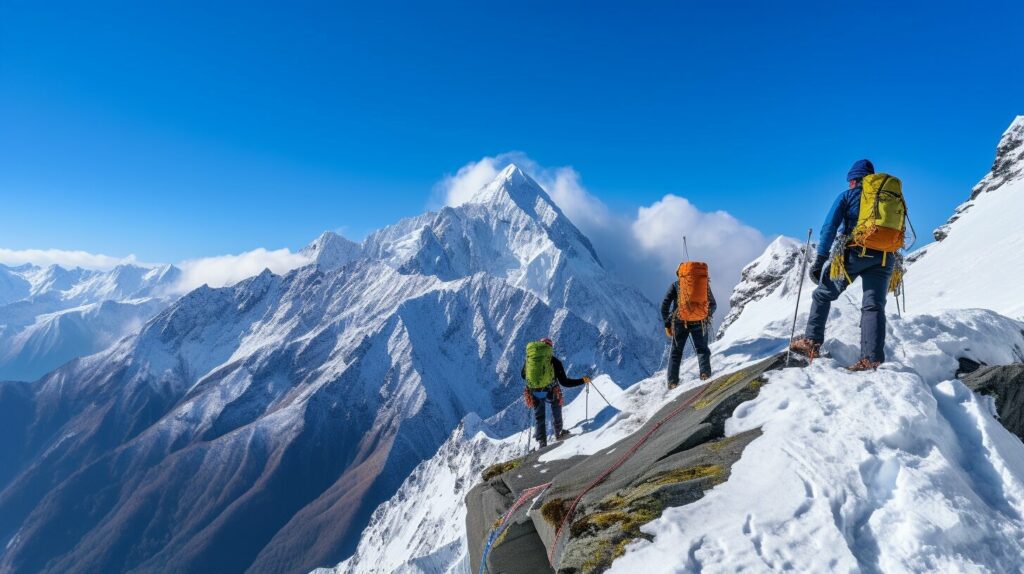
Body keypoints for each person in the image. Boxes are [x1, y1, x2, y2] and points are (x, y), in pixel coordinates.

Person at [790, 159, 896, 371]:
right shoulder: (888, 196)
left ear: (853, 180)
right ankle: (871, 359)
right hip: (885, 257)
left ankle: (811, 341)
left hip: (855, 253)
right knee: (873, 306)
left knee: (822, 294)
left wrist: (820, 259)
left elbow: (829, 227)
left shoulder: (848, 196)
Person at [521, 337, 590, 448]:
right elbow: (565, 382)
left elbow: (523, 375)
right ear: (550, 348)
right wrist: (583, 380)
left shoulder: (530, 360)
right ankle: (558, 432)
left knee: (539, 416)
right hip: (550, 391)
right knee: (556, 404)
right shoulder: (554, 361)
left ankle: (542, 443)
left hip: (536, 392)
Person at [661, 271, 717, 389]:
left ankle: (672, 382)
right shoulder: (703, 284)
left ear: (679, 274)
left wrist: (667, 324)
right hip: (699, 321)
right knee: (702, 349)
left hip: (679, 321)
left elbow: (664, 305)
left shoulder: (675, 285)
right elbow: (713, 304)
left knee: (676, 353)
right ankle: (705, 373)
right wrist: (705, 315)